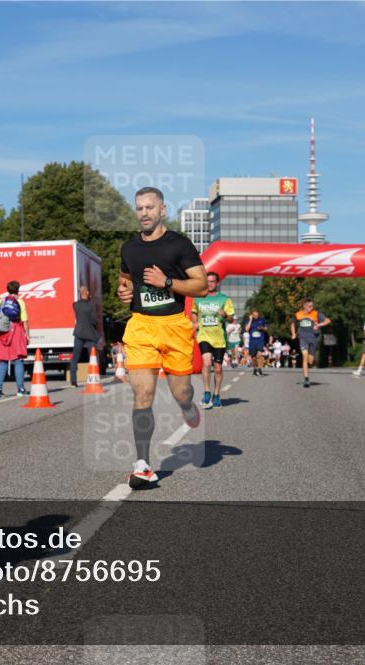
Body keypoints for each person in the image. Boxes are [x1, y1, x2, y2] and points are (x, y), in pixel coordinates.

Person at [117, 187, 207, 489]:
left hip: (174, 326)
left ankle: (187, 406)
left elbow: (202, 286)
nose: (144, 213)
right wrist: (124, 290)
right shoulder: (129, 248)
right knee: (142, 395)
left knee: (182, 392)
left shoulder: (179, 244)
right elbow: (125, 278)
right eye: (139, 208)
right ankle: (142, 464)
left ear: (162, 210)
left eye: (149, 208)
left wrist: (167, 282)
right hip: (141, 326)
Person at [192, 271, 234, 409]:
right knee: (206, 361)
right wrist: (195, 322)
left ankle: (216, 394)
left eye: (212, 281)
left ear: (217, 283)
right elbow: (194, 312)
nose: (209, 284)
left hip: (219, 338)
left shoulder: (225, 299)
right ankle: (206, 392)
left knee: (218, 369)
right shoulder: (198, 298)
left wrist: (225, 314)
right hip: (204, 335)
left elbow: (231, 319)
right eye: (207, 281)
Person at [0, 281, 30, 397]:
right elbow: (24, 320)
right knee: (18, 360)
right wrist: (27, 335)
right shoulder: (20, 302)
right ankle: (21, 389)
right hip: (16, 331)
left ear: (8, 289)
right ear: (18, 290)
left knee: (3, 361)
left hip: (3, 332)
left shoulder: (0, 301)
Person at [291, 298, 330, 388]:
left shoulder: (316, 313)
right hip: (303, 338)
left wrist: (319, 325)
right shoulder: (298, 314)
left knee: (310, 361)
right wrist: (293, 334)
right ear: (304, 306)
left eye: (312, 306)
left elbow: (328, 320)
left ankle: (311, 363)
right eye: (309, 306)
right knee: (305, 356)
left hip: (313, 339)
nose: (311, 307)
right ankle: (306, 379)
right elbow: (292, 324)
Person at [70, 285, 100, 387]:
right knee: (92, 358)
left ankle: (73, 381)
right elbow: (93, 320)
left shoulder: (75, 305)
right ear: (86, 293)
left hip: (78, 333)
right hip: (90, 334)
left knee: (75, 358)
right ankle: (94, 378)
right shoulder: (91, 305)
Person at [246, 309, 268, 376]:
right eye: (254, 314)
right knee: (253, 357)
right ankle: (255, 368)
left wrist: (262, 328)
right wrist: (250, 320)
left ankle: (260, 369)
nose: (256, 315)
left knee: (259, 355)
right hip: (252, 341)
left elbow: (266, 328)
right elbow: (247, 329)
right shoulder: (249, 321)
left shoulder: (262, 320)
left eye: (257, 313)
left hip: (260, 340)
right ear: (252, 315)